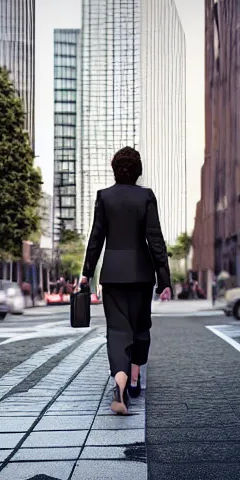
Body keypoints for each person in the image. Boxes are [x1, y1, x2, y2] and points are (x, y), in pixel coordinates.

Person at [80, 147, 171, 415]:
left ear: (115, 169)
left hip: (113, 275)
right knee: (141, 328)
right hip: (142, 274)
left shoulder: (104, 197)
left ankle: (118, 385)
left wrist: (86, 273)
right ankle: (133, 381)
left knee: (118, 332)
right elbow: (155, 240)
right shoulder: (146, 196)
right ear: (138, 170)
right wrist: (164, 279)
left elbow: (96, 238)